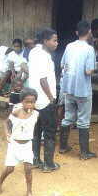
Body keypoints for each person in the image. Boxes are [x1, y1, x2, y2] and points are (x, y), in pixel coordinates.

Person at [59, 21, 97, 160]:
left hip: (68, 88)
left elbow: (62, 65)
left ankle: (63, 147)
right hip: (83, 90)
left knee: (68, 117)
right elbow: (88, 71)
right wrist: (94, 69)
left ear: (76, 32)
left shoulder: (69, 46)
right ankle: (84, 152)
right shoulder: (89, 49)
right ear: (89, 32)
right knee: (83, 121)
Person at [0, 88, 38, 196]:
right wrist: (7, 133)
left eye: (32, 102)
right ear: (21, 101)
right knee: (10, 169)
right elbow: (7, 122)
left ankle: (29, 191)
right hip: (14, 144)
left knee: (28, 168)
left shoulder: (36, 114)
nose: (29, 104)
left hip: (27, 145)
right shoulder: (16, 112)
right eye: (26, 102)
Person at [29, 28, 60, 172]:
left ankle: (35, 160)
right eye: (54, 40)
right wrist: (51, 98)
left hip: (34, 100)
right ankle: (49, 164)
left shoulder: (34, 52)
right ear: (45, 41)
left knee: (36, 131)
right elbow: (43, 80)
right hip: (45, 101)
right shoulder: (44, 56)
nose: (56, 43)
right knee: (49, 132)